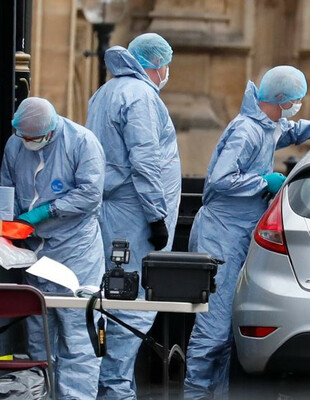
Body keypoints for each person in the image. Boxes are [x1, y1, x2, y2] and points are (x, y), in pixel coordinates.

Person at [184, 65, 310, 399]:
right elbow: (219, 179)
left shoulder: (267, 124)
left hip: (237, 234)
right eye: (297, 100)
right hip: (221, 235)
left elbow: (288, 131)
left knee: (228, 333)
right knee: (213, 332)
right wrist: (264, 181)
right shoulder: (245, 131)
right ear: (282, 99)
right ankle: (196, 393)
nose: (298, 106)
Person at [85, 32, 181, 399]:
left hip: (112, 212)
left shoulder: (106, 91)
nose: (166, 71)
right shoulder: (140, 97)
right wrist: (157, 218)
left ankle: (107, 385)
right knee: (130, 305)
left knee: (110, 298)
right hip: (134, 215)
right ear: (155, 65)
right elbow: (145, 161)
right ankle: (115, 389)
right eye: (165, 64)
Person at [1, 97, 106, 400]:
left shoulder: (82, 143)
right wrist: (7, 226)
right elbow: (7, 188)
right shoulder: (15, 144)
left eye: (34, 138)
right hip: (35, 253)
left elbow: (90, 194)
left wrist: (44, 212)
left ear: (49, 131)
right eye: (25, 138)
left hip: (76, 251)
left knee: (78, 335)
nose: (29, 143)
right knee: (40, 335)